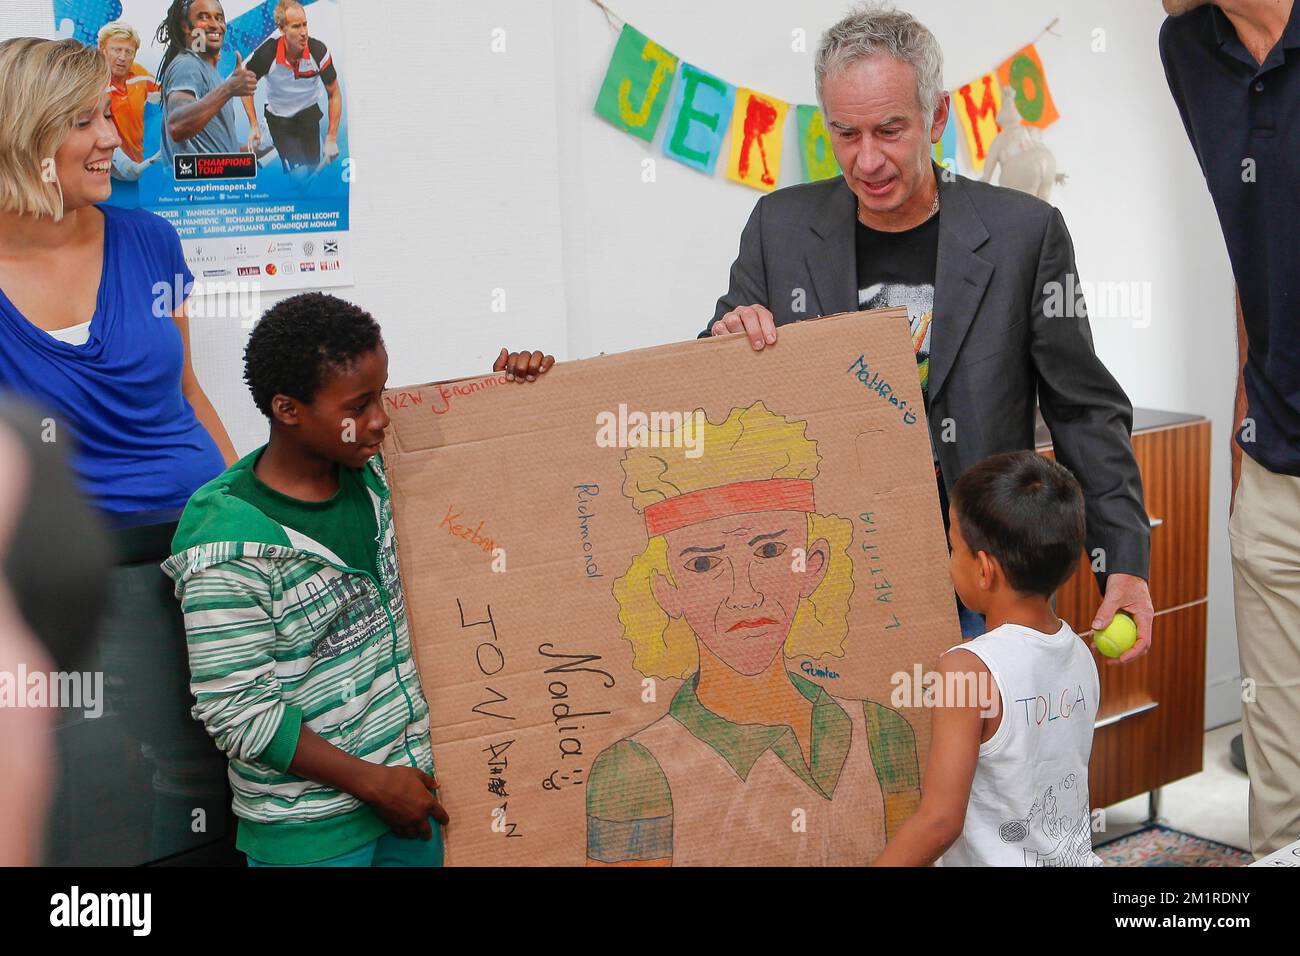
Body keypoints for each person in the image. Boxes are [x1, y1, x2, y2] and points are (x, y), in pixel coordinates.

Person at [704, 4, 1154, 652]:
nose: (866, 160)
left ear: (937, 116)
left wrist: (1125, 562)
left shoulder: (1024, 234)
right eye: (845, 133)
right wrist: (728, 337)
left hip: (984, 576)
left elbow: (1084, 409)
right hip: (823, 582)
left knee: (983, 756)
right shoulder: (778, 228)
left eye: (889, 130)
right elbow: (712, 382)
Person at [162, 292, 553, 867]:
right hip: (311, 832)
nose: (381, 419)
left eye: (383, 394)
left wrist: (508, 397)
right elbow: (238, 710)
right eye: (359, 405)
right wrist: (372, 783)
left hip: (412, 798)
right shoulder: (227, 544)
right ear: (289, 410)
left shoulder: (375, 475)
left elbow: (480, 470)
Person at [588, 402, 920, 866]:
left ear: (813, 566)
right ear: (667, 592)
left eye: (769, 550)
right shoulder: (634, 770)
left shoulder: (882, 734)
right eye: (703, 563)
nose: (744, 595)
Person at [1160, 0, 1300, 858]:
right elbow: (1252, 242)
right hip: (1276, 464)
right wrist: (1244, 395)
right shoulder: (1190, 49)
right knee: (1280, 773)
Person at [0, 37, 236, 524]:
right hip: (67, 568)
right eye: (82, 122)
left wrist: (247, 511)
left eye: (107, 115)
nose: (110, 138)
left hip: (200, 534)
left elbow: (187, 391)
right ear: (20, 138)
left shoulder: (152, 241)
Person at [873, 450, 1102, 867]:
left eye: (953, 547)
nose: (948, 565)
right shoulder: (1079, 652)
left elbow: (940, 821)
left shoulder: (967, 669)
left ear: (984, 569)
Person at [156, 0, 259, 165]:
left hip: (214, 187)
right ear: (185, 26)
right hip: (196, 189)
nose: (214, 25)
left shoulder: (209, 72)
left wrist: (269, 144)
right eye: (204, 17)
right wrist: (229, 88)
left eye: (219, 18)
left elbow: (219, 148)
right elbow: (177, 126)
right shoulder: (187, 65)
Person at [245, 0, 343, 171]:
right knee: (299, 175)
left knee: (312, 169)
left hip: (308, 116)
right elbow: (244, 87)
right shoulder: (267, 53)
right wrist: (253, 125)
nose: (304, 32)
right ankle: (271, 138)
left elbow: (334, 93)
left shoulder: (318, 52)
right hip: (280, 120)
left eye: (305, 24)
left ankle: (277, 152)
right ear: (282, 29)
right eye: (296, 26)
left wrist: (331, 138)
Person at [97, 21, 162, 182]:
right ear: (102, 49)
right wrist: (124, 164)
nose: (122, 57)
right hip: (114, 172)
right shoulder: (93, 85)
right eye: (116, 50)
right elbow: (97, 132)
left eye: (129, 52)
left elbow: (168, 99)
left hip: (148, 165)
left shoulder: (140, 73)